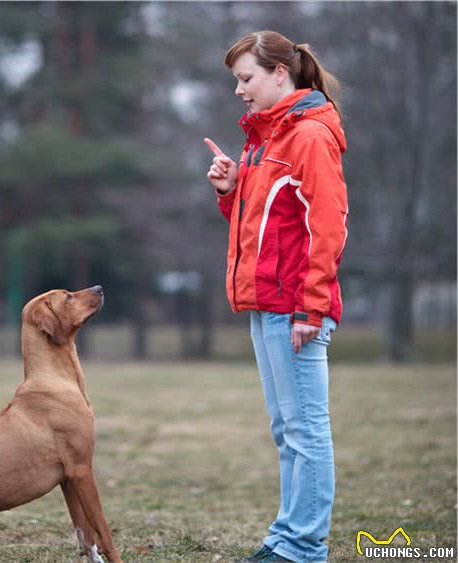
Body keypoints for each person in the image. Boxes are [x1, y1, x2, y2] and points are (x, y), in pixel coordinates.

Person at [204, 31, 348, 563]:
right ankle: (287, 536)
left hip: (296, 309)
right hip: (267, 306)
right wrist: (230, 188)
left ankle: (303, 547)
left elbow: (328, 227)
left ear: (280, 74)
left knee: (307, 431)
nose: (239, 91)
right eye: (237, 81)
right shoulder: (264, 138)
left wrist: (312, 307)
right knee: (287, 431)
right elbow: (264, 225)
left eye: (246, 79)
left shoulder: (308, 136)